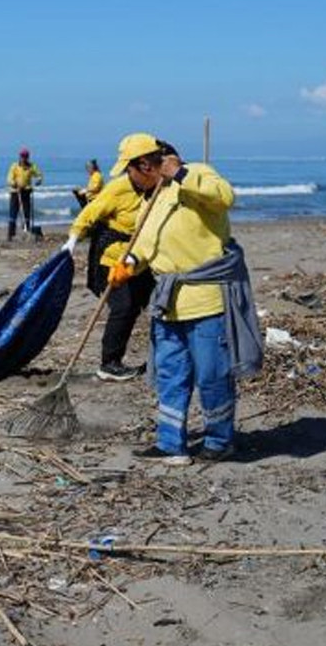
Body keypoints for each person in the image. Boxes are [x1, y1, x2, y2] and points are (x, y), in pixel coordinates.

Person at [107, 133, 262, 466]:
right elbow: (144, 244)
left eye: (128, 171)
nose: (128, 179)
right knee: (170, 375)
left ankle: (219, 442)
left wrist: (179, 173)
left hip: (206, 301)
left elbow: (224, 197)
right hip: (168, 305)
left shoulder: (198, 174)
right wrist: (129, 264)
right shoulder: (150, 199)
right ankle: (170, 444)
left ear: (144, 165)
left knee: (212, 375)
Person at [61, 148, 159, 381]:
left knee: (137, 306)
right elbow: (90, 213)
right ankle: (109, 364)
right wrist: (72, 241)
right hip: (112, 259)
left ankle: (150, 359)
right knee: (123, 306)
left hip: (140, 260)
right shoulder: (118, 188)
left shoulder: (158, 188)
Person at [6, 148, 43, 240]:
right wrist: (13, 183)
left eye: (25, 156)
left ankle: (26, 231)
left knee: (26, 212)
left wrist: (39, 180)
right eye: (22, 156)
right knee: (13, 212)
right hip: (16, 192)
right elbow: (9, 178)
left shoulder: (31, 166)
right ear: (20, 156)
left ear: (28, 157)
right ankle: (11, 234)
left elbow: (39, 174)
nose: (24, 158)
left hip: (26, 191)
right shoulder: (14, 166)